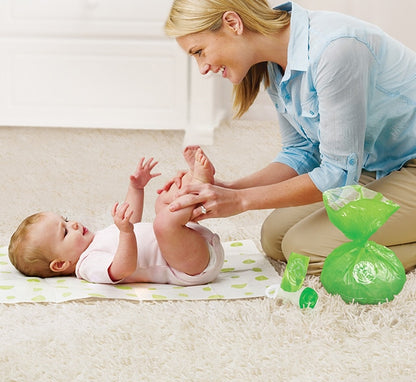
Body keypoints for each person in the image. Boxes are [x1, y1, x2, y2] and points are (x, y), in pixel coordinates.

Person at [164, 0, 416, 274]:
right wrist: (230, 189)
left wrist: (240, 202)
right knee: (275, 237)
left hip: (409, 164)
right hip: (381, 163)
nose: (202, 68)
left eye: (199, 52)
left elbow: (337, 175)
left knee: (304, 248)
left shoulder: (335, 49)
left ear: (233, 23)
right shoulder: (275, 61)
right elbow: (301, 152)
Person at [8, 147, 224, 286]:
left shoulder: (99, 238)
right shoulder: (88, 265)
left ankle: (195, 182)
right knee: (163, 223)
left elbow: (130, 218)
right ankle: (198, 184)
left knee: (163, 202)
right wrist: (126, 232)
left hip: (188, 244)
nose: (72, 224)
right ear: (60, 264)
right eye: (64, 232)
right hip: (189, 267)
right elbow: (123, 268)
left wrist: (136, 188)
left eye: (65, 219)